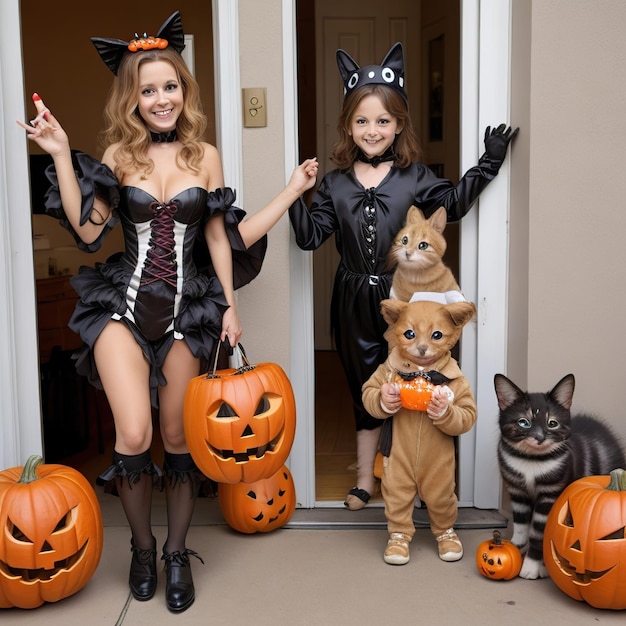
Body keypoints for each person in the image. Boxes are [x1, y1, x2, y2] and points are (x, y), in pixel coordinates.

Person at [18, 11, 317, 614]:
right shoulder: (116, 155)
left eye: (170, 86)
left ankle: (178, 552)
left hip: (187, 314)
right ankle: (143, 546)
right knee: (134, 434)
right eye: (147, 89)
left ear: (185, 89)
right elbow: (86, 231)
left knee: (178, 436)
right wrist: (57, 154)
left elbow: (217, 238)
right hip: (122, 309)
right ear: (132, 98)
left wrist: (230, 307)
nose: (161, 98)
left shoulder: (205, 155)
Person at [288, 42, 518, 510]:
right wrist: (296, 195)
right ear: (348, 125)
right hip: (352, 299)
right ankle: (364, 478)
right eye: (362, 121)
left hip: (408, 299)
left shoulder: (415, 178)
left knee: (418, 379)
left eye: (383, 121)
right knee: (367, 388)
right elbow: (310, 238)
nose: (372, 131)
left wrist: (489, 163)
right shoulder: (333, 183)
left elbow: (452, 203)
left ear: (398, 125)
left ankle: (416, 481)